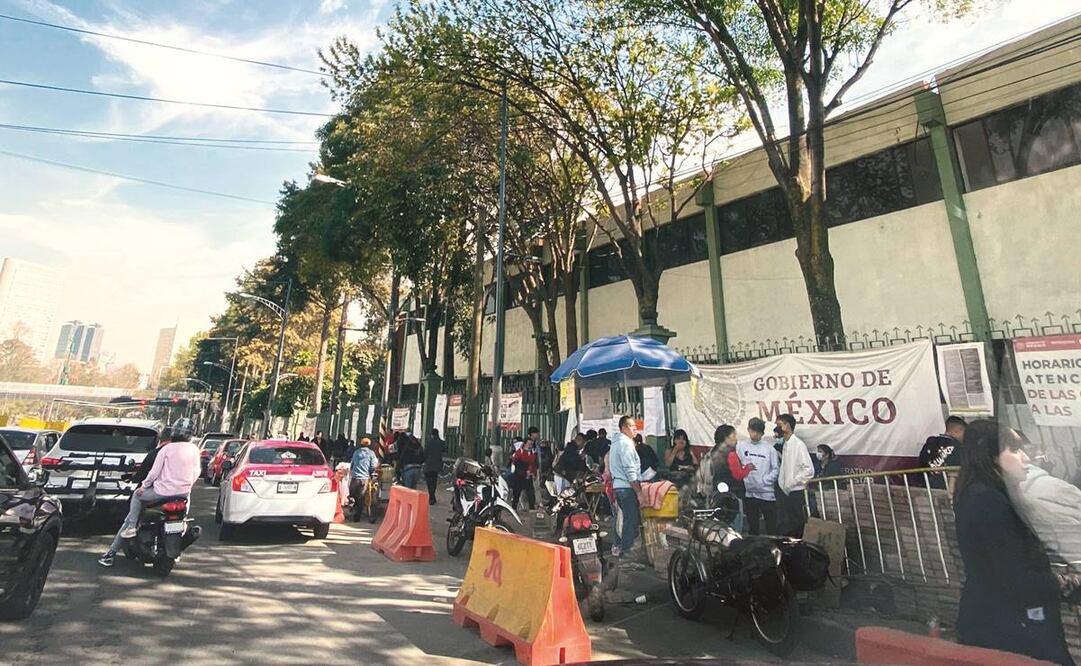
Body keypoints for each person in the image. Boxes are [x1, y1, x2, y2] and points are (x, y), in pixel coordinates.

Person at [953, 421, 1074, 665]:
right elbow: (1016, 579)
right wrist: (1065, 582)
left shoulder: (986, 495)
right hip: (1011, 629)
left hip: (1003, 623)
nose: (1026, 458)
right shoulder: (988, 502)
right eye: (1015, 450)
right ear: (993, 457)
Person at [99, 425, 200, 567]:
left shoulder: (163, 451)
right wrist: (187, 486)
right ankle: (176, 548)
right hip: (183, 495)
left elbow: (152, 473)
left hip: (160, 493)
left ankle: (117, 546)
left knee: (132, 512)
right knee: (182, 519)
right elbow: (197, 472)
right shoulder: (194, 450)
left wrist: (143, 486)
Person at [737, 418, 780, 535]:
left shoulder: (769, 449)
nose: (754, 435)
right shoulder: (740, 446)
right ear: (748, 430)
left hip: (767, 494)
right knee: (753, 527)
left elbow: (776, 470)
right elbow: (738, 465)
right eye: (752, 431)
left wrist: (764, 481)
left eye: (758, 432)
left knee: (771, 527)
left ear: (762, 433)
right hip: (750, 493)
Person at [609, 415, 643, 559]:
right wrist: (639, 492)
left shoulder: (616, 443)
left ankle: (618, 546)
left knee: (620, 518)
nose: (634, 429)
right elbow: (630, 471)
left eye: (635, 426)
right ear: (623, 427)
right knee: (630, 520)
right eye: (631, 426)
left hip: (618, 486)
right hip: (626, 488)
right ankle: (626, 552)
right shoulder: (625, 444)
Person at [775, 413, 814, 537]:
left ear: (787, 426)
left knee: (798, 525)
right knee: (788, 526)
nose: (777, 428)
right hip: (786, 492)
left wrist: (793, 482)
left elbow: (809, 470)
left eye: (779, 425)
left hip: (796, 492)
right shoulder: (786, 445)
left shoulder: (798, 445)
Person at [916, 416, 967, 488]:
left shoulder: (929, 445)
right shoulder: (959, 448)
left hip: (926, 488)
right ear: (957, 431)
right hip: (949, 489)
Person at [349, 437, 379, 522]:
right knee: (361, 498)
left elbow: (352, 464)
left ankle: (352, 505)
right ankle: (357, 517)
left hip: (354, 478)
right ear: (369, 445)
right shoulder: (371, 454)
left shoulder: (356, 452)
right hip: (364, 479)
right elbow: (373, 466)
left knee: (353, 495)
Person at [510, 436, 539, 510]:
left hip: (528, 476)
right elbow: (514, 461)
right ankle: (514, 507)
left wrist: (533, 473)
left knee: (531, 493)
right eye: (529, 444)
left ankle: (532, 508)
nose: (530, 446)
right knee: (517, 492)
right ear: (525, 444)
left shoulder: (532, 453)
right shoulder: (520, 452)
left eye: (531, 444)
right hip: (520, 476)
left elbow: (533, 465)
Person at [423, 428, 446, 505]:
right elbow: (445, 450)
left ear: (432, 435)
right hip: (437, 464)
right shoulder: (441, 442)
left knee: (429, 482)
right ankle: (432, 496)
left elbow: (425, 453)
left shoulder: (429, 442)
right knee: (434, 480)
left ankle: (431, 496)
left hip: (429, 465)